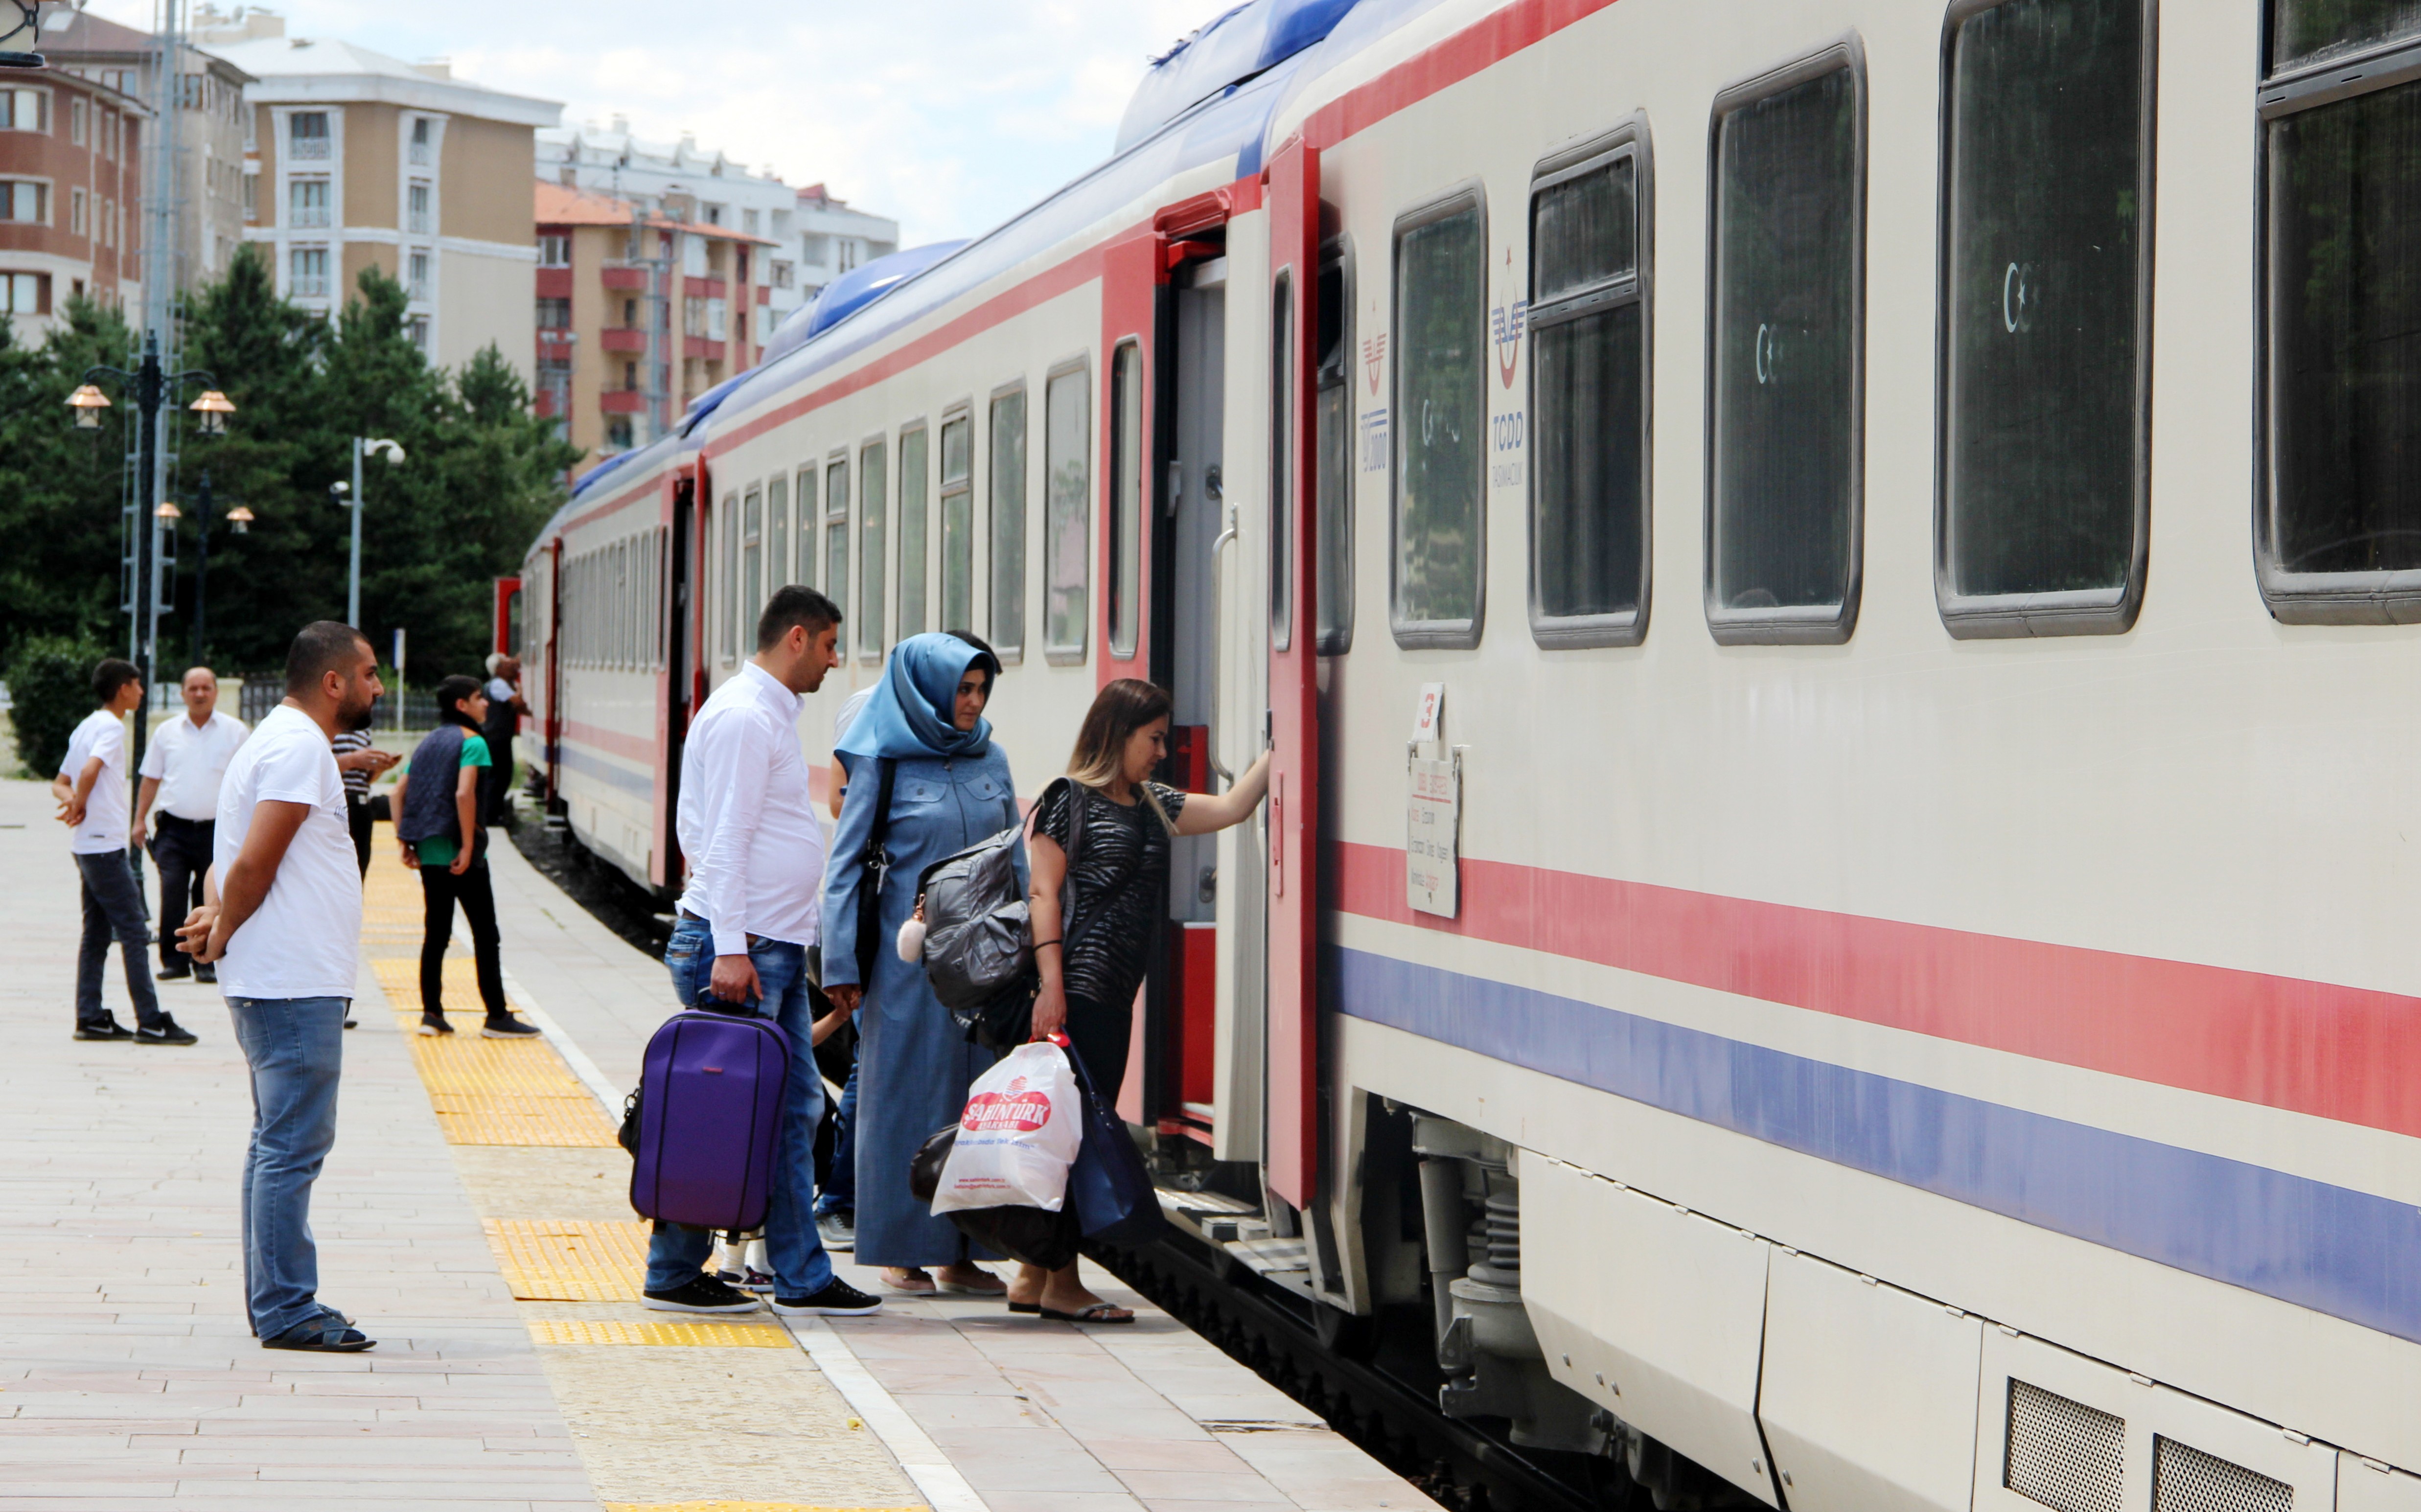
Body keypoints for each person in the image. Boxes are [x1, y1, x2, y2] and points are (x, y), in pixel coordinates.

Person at [646, 585, 881, 1319]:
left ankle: (800, 1272)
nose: (834, 661)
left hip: (766, 944)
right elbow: (723, 837)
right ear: (798, 638)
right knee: (716, 1109)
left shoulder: (763, 713)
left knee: (786, 1110)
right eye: (831, 645)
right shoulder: (748, 718)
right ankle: (674, 1268)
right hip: (743, 948)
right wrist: (728, 947)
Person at [1012, 678, 1270, 1323]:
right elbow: (1043, 894)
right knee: (1071, 1135)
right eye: (1153, 738)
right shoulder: (1065, 800)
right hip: (1075, 991)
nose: (1161, 750)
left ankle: (1029, 1273)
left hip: (1114, 994)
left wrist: (1281, 745)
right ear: (1119, 733)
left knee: (1067, 1128)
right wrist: (1051, 986)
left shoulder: (1152, 803)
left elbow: (1236, 807)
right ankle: (1062, 1282)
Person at [177, 621, 385, 1352]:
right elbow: (253, 865)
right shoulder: (299, 748)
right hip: (291, 980)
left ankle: (277, 1300)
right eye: (368, 674)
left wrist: (219, 918)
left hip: (284, 976)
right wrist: (224, 928)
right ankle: (288, 1308)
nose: (377, 687)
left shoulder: (271, 740)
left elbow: (227, 862)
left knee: (277, 1142)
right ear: (333, 682)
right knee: (292, 1145)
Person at [822, 632, 1020, 1298]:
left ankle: (961, 1251)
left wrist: (1032, 951)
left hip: (983, 964)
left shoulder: (988, 755)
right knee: (903, 1100)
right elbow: (845, 865)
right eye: (961, 689)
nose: (972, 701)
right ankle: (902, 1249)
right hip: (907, 970)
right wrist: (840, 964)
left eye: (979, 688)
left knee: (976, 1100)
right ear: (929, 689)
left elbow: (1013, 857)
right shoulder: (883, 758)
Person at [390, 676, 540, 1040]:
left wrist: (404, 841)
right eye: (478, 698)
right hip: (462, 854)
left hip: (429, 853)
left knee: (436, 934)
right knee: (486, 935)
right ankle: (496, 1017)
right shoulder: (474, 743)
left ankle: (432, 1015)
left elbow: (397, 793)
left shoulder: (428, 742)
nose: (486, 703)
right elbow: (464, 794)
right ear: (462, 705)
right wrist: (469, 848)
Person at [54, 659, 195, 1045]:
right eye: (137, 685)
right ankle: (150, 1020)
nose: (142, 692)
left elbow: (59, 783)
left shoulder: (87, 724)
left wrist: (72, 803)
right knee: (134, 932)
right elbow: (86, 775)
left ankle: (91, 1016)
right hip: (103, 846)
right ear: (123, 689)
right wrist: (81, 803)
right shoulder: (112, 727)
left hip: (87, 846)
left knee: (97, 934)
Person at [811, 680, 877, 1254]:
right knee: (867, 1064)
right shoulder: (870, 708)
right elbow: (840, 799)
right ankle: (836, 1199)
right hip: (870, 924)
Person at [134, 666, 248, 986]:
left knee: (209, 896)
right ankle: (173, 960)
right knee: (172, 889)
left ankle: (206, 960)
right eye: (193, 688)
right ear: (183, 693)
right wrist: (139, 819)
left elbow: (247, 782)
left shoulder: (236, 732)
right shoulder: (167, 732)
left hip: (216, 830)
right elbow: (151, 778)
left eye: (206, 688)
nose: (199, 694)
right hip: (174, 829)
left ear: (215, 692)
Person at [329, 726, 397, 878]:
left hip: (363, 804)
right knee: (337, 868)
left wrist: (380, 767)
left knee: (359, 869)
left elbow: (366, 780)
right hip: (339, 803)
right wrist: (352, 760)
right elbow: (319, 766)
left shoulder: (363, 730)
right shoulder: (329, 723)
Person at [479, 654, 530, 827]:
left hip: (498, 737)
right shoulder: (499, 685)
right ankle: (490, 816)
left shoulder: (499, 684)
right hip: (496, 738)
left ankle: (493, 813)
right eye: (509, 665)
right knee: (499, 776)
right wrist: (520, 689)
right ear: (498, 669)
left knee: (501, 775)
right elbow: (518, 703)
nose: (514, 668)